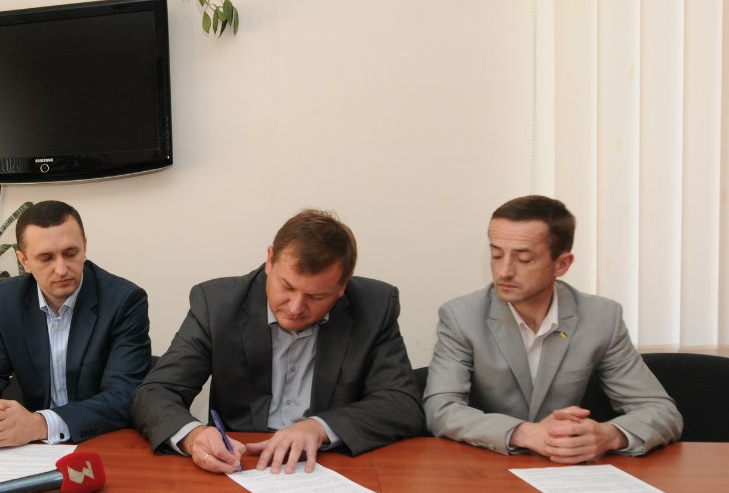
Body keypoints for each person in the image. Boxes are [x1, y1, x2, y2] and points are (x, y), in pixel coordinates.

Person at [132, 209, 423, 474]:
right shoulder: (217, 304)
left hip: (332, 466)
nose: (295, 308)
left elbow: (402, 404)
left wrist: (319, 428)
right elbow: (156, 392)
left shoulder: (374, 307)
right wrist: (193, 435)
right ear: (270, 260)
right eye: (287, 286)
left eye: (316, 296)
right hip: (242, 464)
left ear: (342, 286)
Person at [425, 195, 681, 462]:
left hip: (568, 469)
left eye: (524, 259)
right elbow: (440, 409)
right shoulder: (461, 317)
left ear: (562, 264)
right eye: (496, 254)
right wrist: (524, 433)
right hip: (488, 466)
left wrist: (608, 435)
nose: (504, 271)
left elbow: (660, 411)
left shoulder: (601, 317)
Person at [0, 200, 151, 448]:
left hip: (101, 441)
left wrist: (40, 424)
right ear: (24, 261)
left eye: (70, 254)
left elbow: (124, 395)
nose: (61, 269)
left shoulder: (124, 300)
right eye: (46, 258)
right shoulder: (4, 301)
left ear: (85, 247)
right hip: (30, 448)